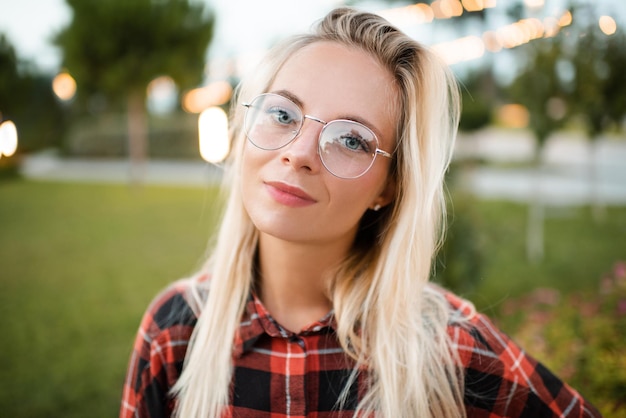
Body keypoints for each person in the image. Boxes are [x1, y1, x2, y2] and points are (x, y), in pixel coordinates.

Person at [120, 7, 601, 418]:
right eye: (283, 114)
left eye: (351, 140)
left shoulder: (449, 350)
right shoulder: (176, 331)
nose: (300, 153)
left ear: (389, 188)